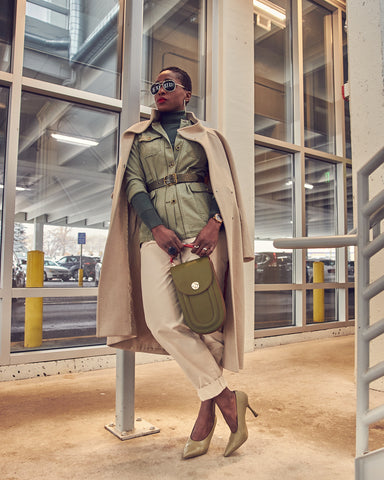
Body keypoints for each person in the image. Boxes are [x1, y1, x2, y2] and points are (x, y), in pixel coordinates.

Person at [97, 66, 256, 459]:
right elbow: (133, 185)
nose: (159, 91)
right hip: (158, 239)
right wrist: (156, 227)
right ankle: (228, 400)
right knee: (164, 321)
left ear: (187, 93)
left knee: (209, 325)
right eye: (155, 86)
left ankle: (205, 417)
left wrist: (215, 224)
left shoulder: (208, 137)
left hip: (204, 236)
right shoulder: (137, 138)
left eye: (168, 85)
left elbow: (222, 185)